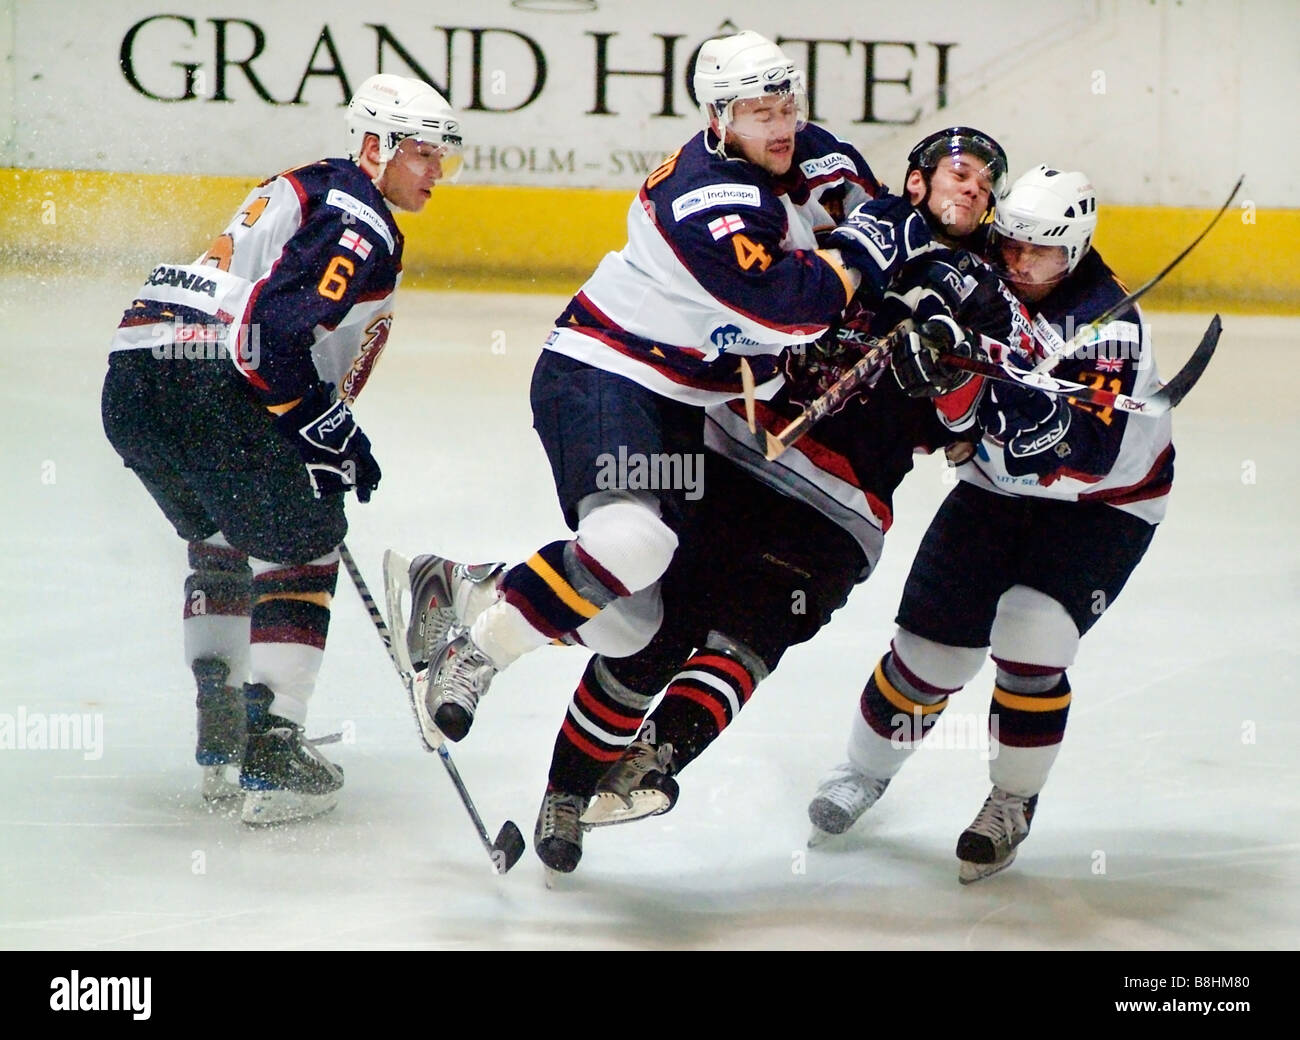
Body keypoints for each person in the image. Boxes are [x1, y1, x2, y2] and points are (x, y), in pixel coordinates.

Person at [391, 126, 1017, 873]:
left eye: (985, 182)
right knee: (649, 628)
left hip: (840, 512)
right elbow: (773, 271)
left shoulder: (987, 295)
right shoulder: (857, 227)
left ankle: (653, 757)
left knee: (749, 643)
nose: (972, 186)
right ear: (917, 180)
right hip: (733, 456)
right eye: (959, 171)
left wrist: (950, 373)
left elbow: (964, 431)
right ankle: (562, 783)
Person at [390, 31, 889, 753]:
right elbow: (796, 307)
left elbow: (880, 220)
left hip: (677, 404)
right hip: (603, 374)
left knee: (634, 623)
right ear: (718, 118)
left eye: (787, 107)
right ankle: (476, 653)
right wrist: (863, 253)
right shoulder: (705, 198)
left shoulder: (816, 153)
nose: (781, 126)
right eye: (760, 114)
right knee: (632, 542)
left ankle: (465, 585)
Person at [101, 74, 465, 825]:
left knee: (221, 540)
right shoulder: (359, 216)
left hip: (135, 381)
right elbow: (266, 340)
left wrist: (309, 419)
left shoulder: (304, 186)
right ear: (376, 146)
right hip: (212, 381)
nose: (437, 172)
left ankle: (221, 737)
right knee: (306, 546)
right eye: (424, 154)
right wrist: (323, 425)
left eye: (442, 157)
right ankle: (271, 752)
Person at [807, 164, 1174, 883]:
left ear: (1076, 250)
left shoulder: (1108, 329)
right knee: (928, 656)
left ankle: (1012, 799)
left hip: (1103, 506)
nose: (1021, 263)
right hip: (994, 490)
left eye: (1042, 252)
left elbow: (1082, 455)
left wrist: (980, 396)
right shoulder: (979, 271)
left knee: (1033, 637)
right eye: (1012, 245)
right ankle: (864, 771)